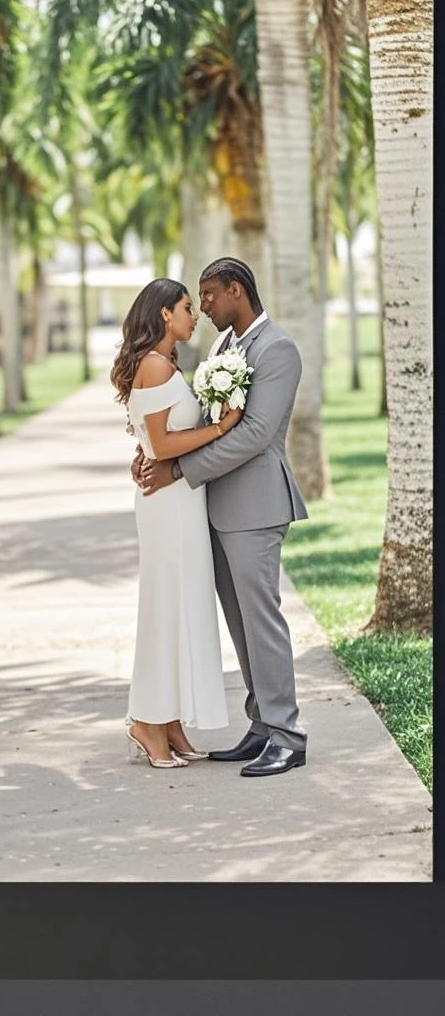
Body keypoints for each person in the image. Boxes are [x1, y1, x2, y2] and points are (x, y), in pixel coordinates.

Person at [137, 258, 309, 777]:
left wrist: (178, 470)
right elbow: (201, 420)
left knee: (263, 621)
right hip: (214, 508)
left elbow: (255, 434)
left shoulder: (277, 350)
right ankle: (261, 725)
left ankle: (287, 734)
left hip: (255, 507)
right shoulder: (223, 349)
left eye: (210, 295)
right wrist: (154, 451)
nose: (204, 306)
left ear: (237, 290)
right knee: (240, 625)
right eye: (198, 299)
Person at [111, 278, 242, 769]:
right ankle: (147, 721)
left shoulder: (163, 365)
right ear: (165, 314)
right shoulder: (153, 364)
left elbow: (148, 438)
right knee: (166, 608)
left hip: (179, 501)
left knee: (180, 606)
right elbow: (163, 446)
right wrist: (222, 427)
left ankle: (168, 722)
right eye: (188, 307)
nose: (195, 315)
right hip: (168, 505)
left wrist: (143, 451)